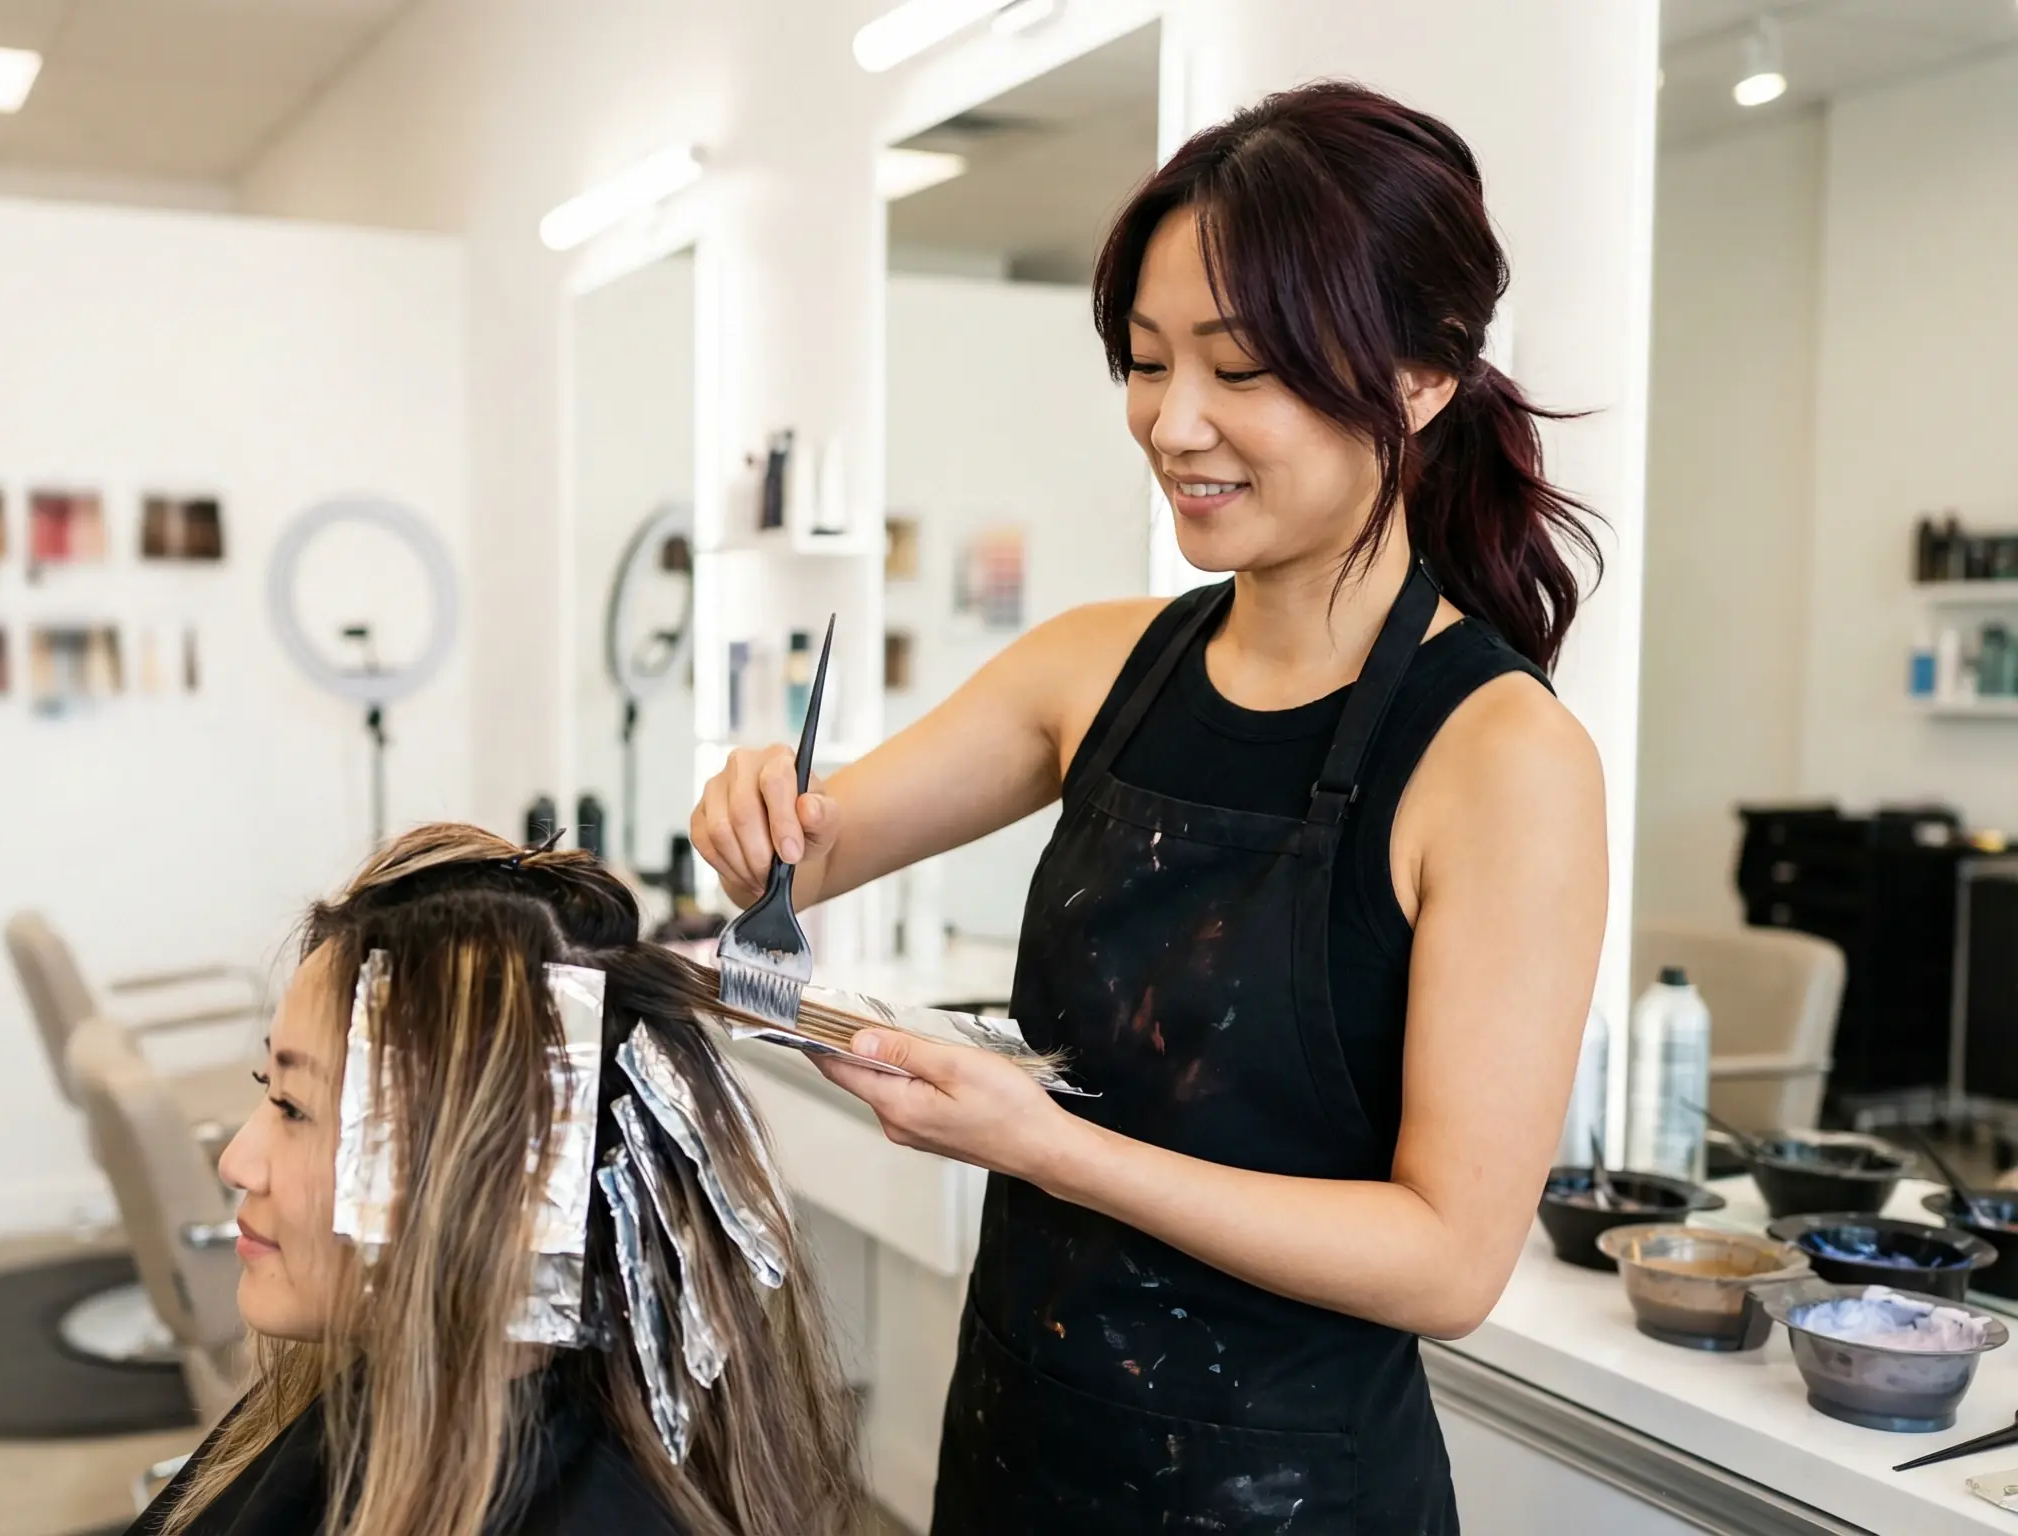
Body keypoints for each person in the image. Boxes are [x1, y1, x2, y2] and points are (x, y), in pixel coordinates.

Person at [692, 82, 1607, 1532]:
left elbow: (1448, 1260)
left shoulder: (1501, 758)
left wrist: (1050, 1146)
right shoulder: (1097, 666)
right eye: (1143, 361)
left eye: (1241, 371)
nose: (1174, 423)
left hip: (1294, 1497)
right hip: (1020, 1453)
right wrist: (759, 814)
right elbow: (819, 839)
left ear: (1424, 379)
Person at [128, 824, 861, 1536]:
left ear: (484, 1172)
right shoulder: (361, 1403)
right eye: (269, 1085)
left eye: (293, 1107)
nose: (237, 1161)